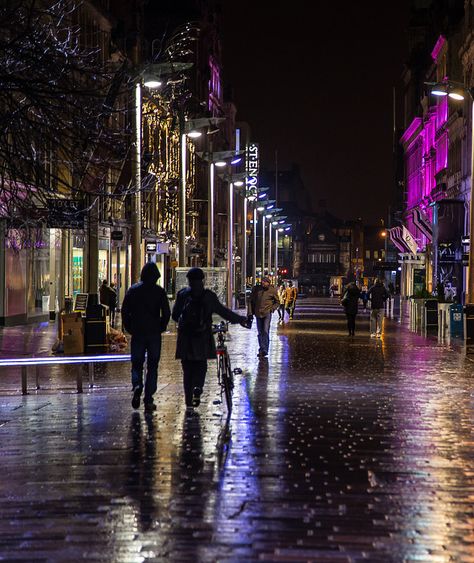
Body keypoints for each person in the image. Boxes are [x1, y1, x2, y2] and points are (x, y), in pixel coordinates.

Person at [172, 267, 250, 409]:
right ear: (203, 280)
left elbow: (175, 315)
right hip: (202, 336)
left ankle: (189, 401)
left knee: (187, 370)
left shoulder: (182, 295)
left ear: (188, 280)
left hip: (186, 338)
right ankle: (198, 388)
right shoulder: (209, 296)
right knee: (201, 366)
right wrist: (240, 319)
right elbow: (224, 312)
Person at [121, 262, 171, 412]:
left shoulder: (133, 290)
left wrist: (129, 327)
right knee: (153, 365)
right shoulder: (159, 291)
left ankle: (137, 385)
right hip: (154, 333)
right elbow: (166, 313)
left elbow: (125, 311)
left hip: (138, 332)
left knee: (136, 363)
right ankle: (148, 398)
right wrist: (161, 326)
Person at [249, 277, 279, 357]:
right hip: (258, 313)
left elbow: (277, 302)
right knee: (260, 332)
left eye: (265, 282)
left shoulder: (272, 290)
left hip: (267, 313)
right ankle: (261, 348)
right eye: (262, 282)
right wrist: (250, 313)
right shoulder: (256, 289)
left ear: (268, 283)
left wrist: (272, 309)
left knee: (265, 331)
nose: (263, 283)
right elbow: (251, 301)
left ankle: (265, 349)